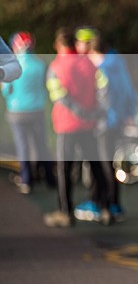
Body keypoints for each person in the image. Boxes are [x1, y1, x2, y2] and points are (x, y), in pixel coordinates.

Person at [43, 28, 111, 227]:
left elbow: (59, 96)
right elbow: (104, 87)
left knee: (65, 169)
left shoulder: (56, 66)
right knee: (96, 165)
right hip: (89, 124)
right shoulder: (89, 63)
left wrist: (78, 111)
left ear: (57, 45)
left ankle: (65, 212)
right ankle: (105, 208)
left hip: (67, 125)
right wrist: (95, 112)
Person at [75, 27, 136, 222]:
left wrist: (92, 115)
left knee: (102, 165)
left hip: (103, 123)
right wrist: (128, 113)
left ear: (93, 52)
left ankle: (103, 204)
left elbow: (103, 100)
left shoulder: (102, 69)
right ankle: (113, 204)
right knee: (108, 163)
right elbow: (128, 91)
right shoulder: (117, 63)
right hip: (116, 121)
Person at [1, 32, 55, 193]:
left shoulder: (14, 65)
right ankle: (50, 178)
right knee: (41, 145)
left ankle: (27, 180)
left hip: (17, 111)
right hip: (37, 110)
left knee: (23, 147)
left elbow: (7, 91)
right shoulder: (40, 64)